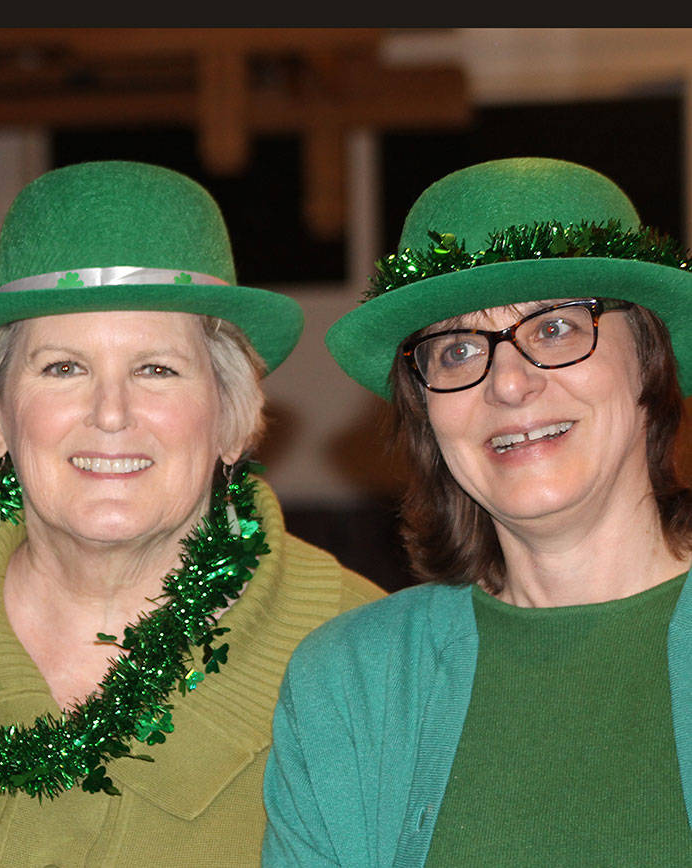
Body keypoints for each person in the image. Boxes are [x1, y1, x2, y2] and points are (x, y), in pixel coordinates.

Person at [0, 159, 384, 864]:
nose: (110, 414)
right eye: (62, 368)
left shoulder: (361, 655)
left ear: (230, 420)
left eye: (156, 368)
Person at [262, 157, 692, 866]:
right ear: (427, 410)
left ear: (649, 357)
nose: (510, 384)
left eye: (554, 327)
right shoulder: (349, 685)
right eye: (459, 349)